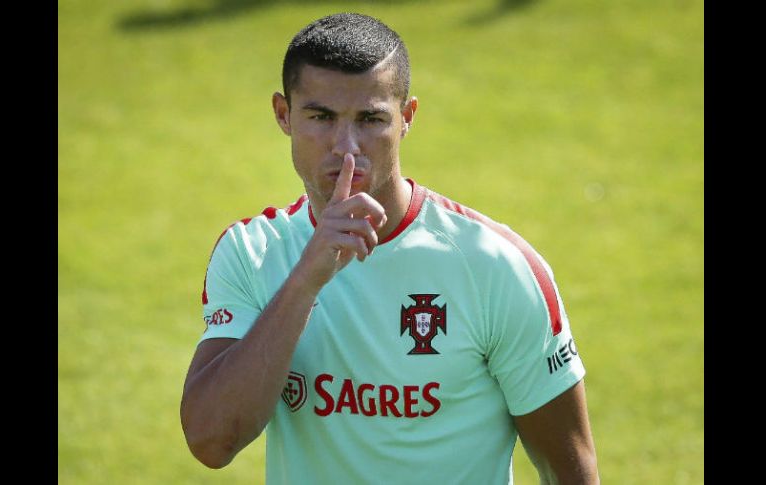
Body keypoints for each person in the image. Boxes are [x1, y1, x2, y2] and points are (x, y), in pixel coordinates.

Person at [180, 12, 599, 484]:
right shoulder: (251, 252)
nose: (346, 147)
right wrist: (305, 281)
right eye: (320, 117)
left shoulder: (494, 266)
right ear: (283, 114)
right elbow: (212, 440)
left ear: (407, 118)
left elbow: (572, 470)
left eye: (370, 119)